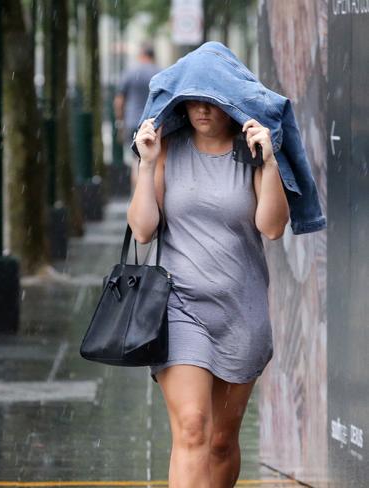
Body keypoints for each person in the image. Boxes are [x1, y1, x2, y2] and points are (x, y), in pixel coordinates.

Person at [128, 101, 289, 487]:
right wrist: (146, 164)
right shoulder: (167, 148)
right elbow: (143, 230)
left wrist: (268, 164)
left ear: (230, 105)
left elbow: (272, 227)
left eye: (212, 101)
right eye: (193, 101)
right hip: (180, 305)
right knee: (193, 428)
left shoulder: (249, 151)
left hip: (242, 310)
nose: (202, 109)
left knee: (220, 441)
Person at [113, 43, 160, 190]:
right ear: (153, 56)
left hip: (133, 121)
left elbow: (119, 101)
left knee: (136, 159)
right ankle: (151, 193)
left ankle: (137, 193)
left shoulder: (130, 72)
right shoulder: (159, 72)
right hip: (153, 122)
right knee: (153, 160)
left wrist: (120, 121)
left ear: (142, 55)